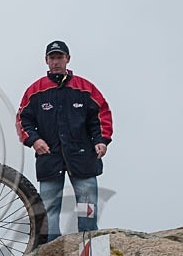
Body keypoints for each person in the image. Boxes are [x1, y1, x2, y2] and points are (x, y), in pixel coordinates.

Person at [16, 40, 113, 242]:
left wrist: (101, 140)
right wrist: (34, 140)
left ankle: (89, 255)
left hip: (83, 158)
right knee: (48, 213)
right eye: (52, 58)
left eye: (60, 57)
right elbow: (22, 120)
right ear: (46, 61)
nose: (56, 62)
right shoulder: (35, 91)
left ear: (68, 59)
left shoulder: (85, 88)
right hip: (49, 158)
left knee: (87, 210)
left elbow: (101, 115)